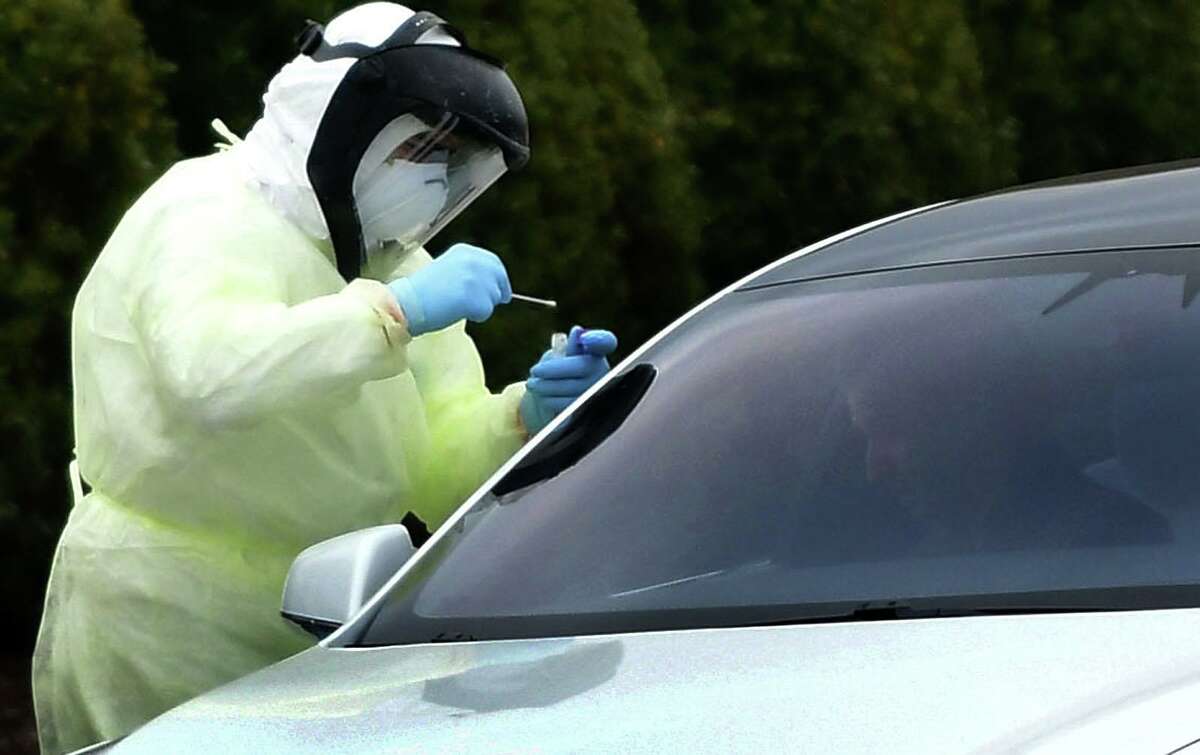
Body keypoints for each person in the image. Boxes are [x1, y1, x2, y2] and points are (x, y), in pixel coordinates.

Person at [32, 4, 617, 752]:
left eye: (453, 166)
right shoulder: (206, 210)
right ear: (341, 122)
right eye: (422, 153)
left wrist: (524, 416)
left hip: (328, 622)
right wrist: (392, 316)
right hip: (160, 619)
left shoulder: (397, 266)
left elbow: (430, 469)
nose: (436, 186)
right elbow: (212, 376)